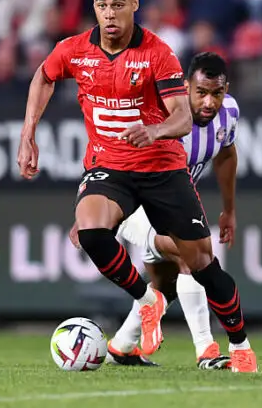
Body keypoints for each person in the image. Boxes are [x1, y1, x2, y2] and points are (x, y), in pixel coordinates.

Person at [17, 0, 257, 372]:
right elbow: (44, 75)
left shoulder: (157, 54)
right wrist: (28, 134)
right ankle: (148, 302)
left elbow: (183, 117)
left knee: (200, 264)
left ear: (135, 4)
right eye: (102, 4)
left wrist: (156, 131)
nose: (110, 13)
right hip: (110, 166)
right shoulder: (74, 50)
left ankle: (240, 346)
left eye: (118, 4)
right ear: (94, 6)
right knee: (91, 230)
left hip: (162, 168)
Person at [102, 52, 240, 370]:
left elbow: (226, 155)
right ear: (185, 86)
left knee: (165, 287)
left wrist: (229, 210)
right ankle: (206, 349)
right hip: (134, 206)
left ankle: (121, 347)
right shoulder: (156, 115)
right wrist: (89, 214)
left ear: (225, 89)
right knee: (187, 253)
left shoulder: (229, 112)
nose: (208, 103)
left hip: (172, 209)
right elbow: (112, 160)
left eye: (216, 93)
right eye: (200, 93)